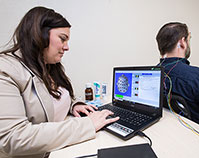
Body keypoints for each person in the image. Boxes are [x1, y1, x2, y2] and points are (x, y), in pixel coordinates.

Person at [0, 6, 119, 158]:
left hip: (61, 148)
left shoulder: (49, 66)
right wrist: (87, 125)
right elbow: (13, 138)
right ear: (39, 35)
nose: (67, 47)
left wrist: (74, 104)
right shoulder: (6, 70)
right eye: (62, 39)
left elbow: (53, 98)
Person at [156, 22, 199, 134]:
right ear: (182, 42)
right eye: (189, 39)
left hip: (175, 134)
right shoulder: (198, 77)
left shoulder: (152, 74)